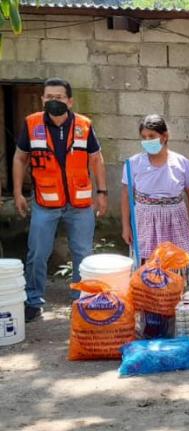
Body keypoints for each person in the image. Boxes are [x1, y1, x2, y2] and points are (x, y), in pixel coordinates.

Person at [12, 78, 108, 323]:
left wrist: (102, 193)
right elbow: (20, 158)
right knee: (37, 253)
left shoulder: (84, 125)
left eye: (59, 97)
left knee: (83, 255)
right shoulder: (32, 124)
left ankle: (82, 301)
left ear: (70, 100)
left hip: (80, 205)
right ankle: (33, 302)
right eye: (49, 97)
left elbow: (96, 160)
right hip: (45, 203)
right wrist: (17, 193)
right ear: (43, 99)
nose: (54, 101)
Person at [121, 114, 189, 274]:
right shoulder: (133, 164)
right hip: (145, 221)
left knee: (174, 264)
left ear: (164, 136)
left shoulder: (181, 163)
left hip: (174, 221)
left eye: (152, 136)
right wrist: (126, 226)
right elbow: (126, 195)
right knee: (146, 263)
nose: (148, 140)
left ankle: (173, 296)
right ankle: (147, 296)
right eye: (144, 137)